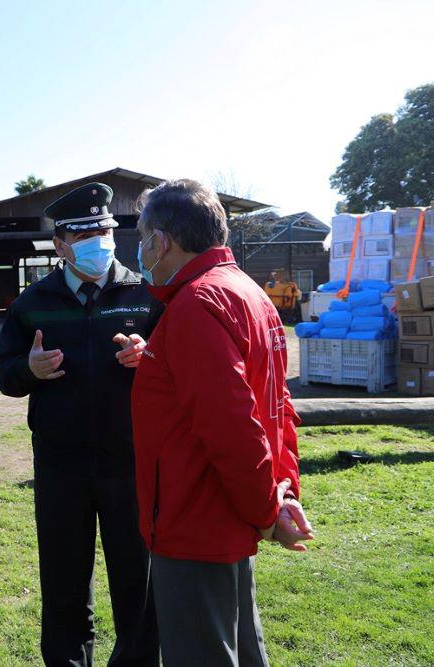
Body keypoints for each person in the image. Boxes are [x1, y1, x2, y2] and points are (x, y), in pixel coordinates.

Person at [131, 179, 314, 666]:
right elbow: (278, 407)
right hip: (228, 516)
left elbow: (235, 429)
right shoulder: (248, 293)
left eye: (142, 235)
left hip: (197, 521)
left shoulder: (196, 304)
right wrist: (282, 493)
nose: (141, 247)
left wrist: (266, 512)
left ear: (161, 241)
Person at [0, 183, 161, 667]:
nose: (99, 239)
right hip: (61, 463)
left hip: (129, 458)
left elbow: (177, 367)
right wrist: (29, 369)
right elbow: (2, 371)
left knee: (137, 577)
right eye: (84, 234)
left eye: (105, 229)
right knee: (64, 577)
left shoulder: (146, 293)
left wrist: (150, 358)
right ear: (60, 245)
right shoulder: (33, 301)